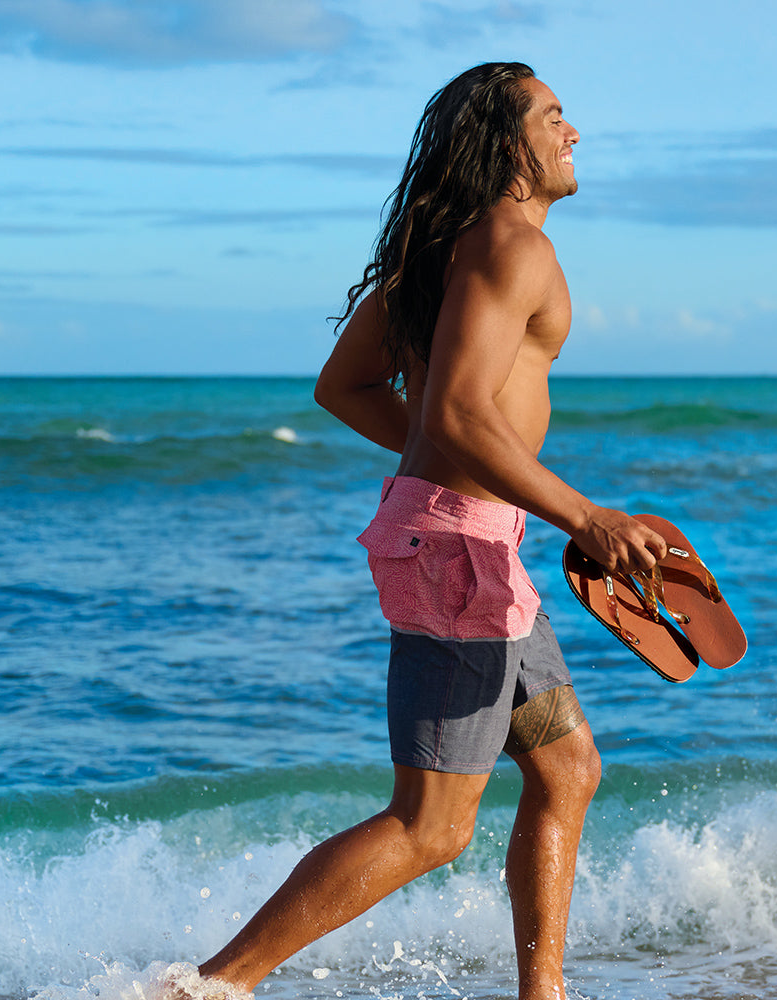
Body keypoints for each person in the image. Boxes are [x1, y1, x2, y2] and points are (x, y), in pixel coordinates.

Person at [195, 61, 667, 1000]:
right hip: (458, 551)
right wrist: (587, 516)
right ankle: (209, 986)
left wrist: (459, 471)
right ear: (508, 145)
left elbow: (345, 387)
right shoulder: (512, 248)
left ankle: (545, 993)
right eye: (555, 116)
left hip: (472, 541)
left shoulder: (444, 251)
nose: (575, 133)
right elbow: (452, 416)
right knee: (432, 824)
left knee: (567, 768)